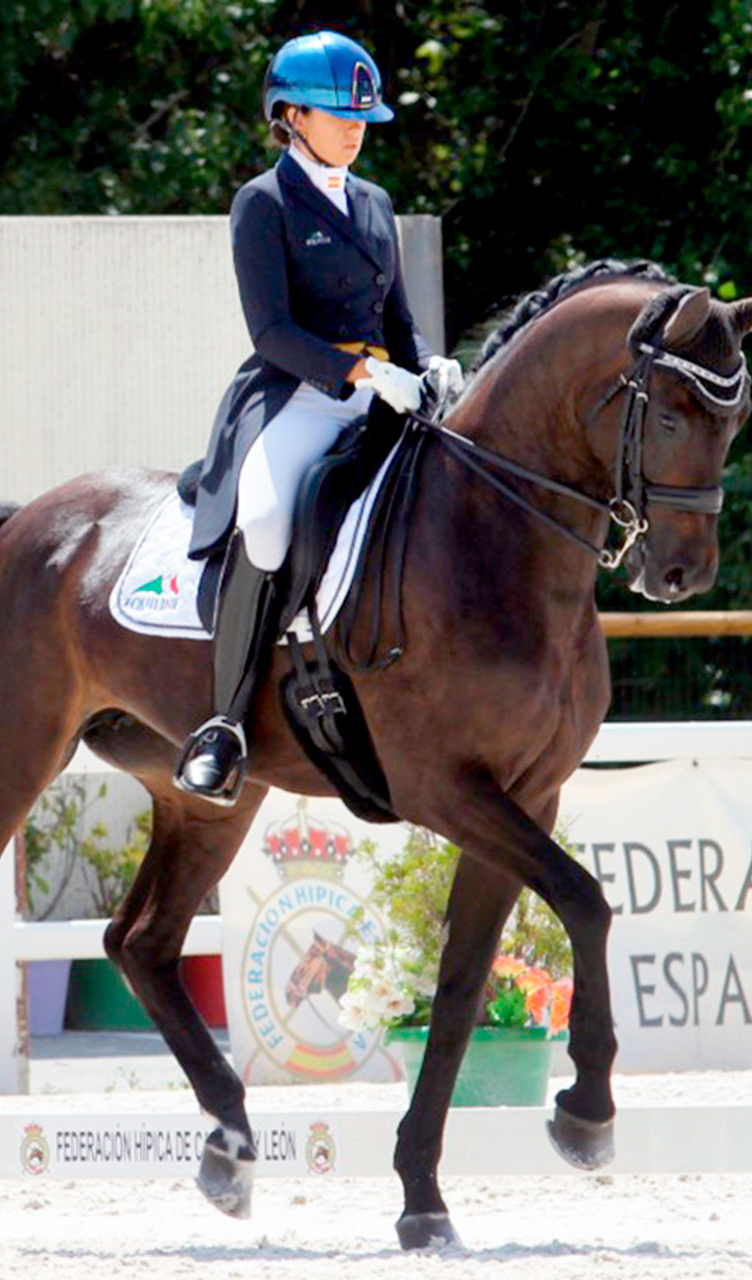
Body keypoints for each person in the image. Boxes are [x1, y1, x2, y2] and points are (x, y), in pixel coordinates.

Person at [176, 30, 462, 805]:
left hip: (385, 389)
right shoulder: (262, 204)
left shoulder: (373, 202)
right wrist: (364, 371)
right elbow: (272, 332)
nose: (356, 127)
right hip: (299, 393)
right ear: (291, 115)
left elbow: (397, 317)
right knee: (267, 520)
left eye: (363, 115)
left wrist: (426, 361)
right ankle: (224, 723)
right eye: (339, 113)